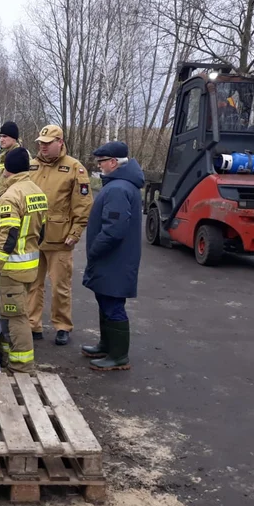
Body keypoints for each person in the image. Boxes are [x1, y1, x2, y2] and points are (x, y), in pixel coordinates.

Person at [0, 148, 47, 373]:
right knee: (14, 312)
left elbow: (7, 237)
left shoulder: (11, 196)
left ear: (7, 168)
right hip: (30, 265)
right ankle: (11, 355)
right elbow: (43, 231)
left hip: (12, 268)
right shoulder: (37, 191)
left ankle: (21, 366)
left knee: (16, 317)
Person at [81, 141, 144, 371]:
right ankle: (106, 345)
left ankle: (118, 356)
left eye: (102, 162)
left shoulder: (118, 188)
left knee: (113, 304)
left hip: (113, 258)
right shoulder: (121, 185)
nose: (100, 166)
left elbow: (114, 229)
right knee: (105, 300)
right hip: (114, 258)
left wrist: (95, 249)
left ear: (114, 163)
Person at [28, 125, 92, 346]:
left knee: (60, 286)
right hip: (34, 237)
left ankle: (62, 325)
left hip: (60, 238)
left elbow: (82, 205)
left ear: (60, 143)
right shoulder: (31, 166)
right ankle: (32, 324)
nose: (43, 147)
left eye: (47, 143)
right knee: (32, 285)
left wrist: (76, 232)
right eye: (41, 143)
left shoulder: (74, 168)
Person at [0, 121, 22, 203]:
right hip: (0, 202)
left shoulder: (21, 156)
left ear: (14, 138)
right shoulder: (3, 155)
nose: (1, 140)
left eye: (5, 136)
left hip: (11, 203)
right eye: (0, 136)